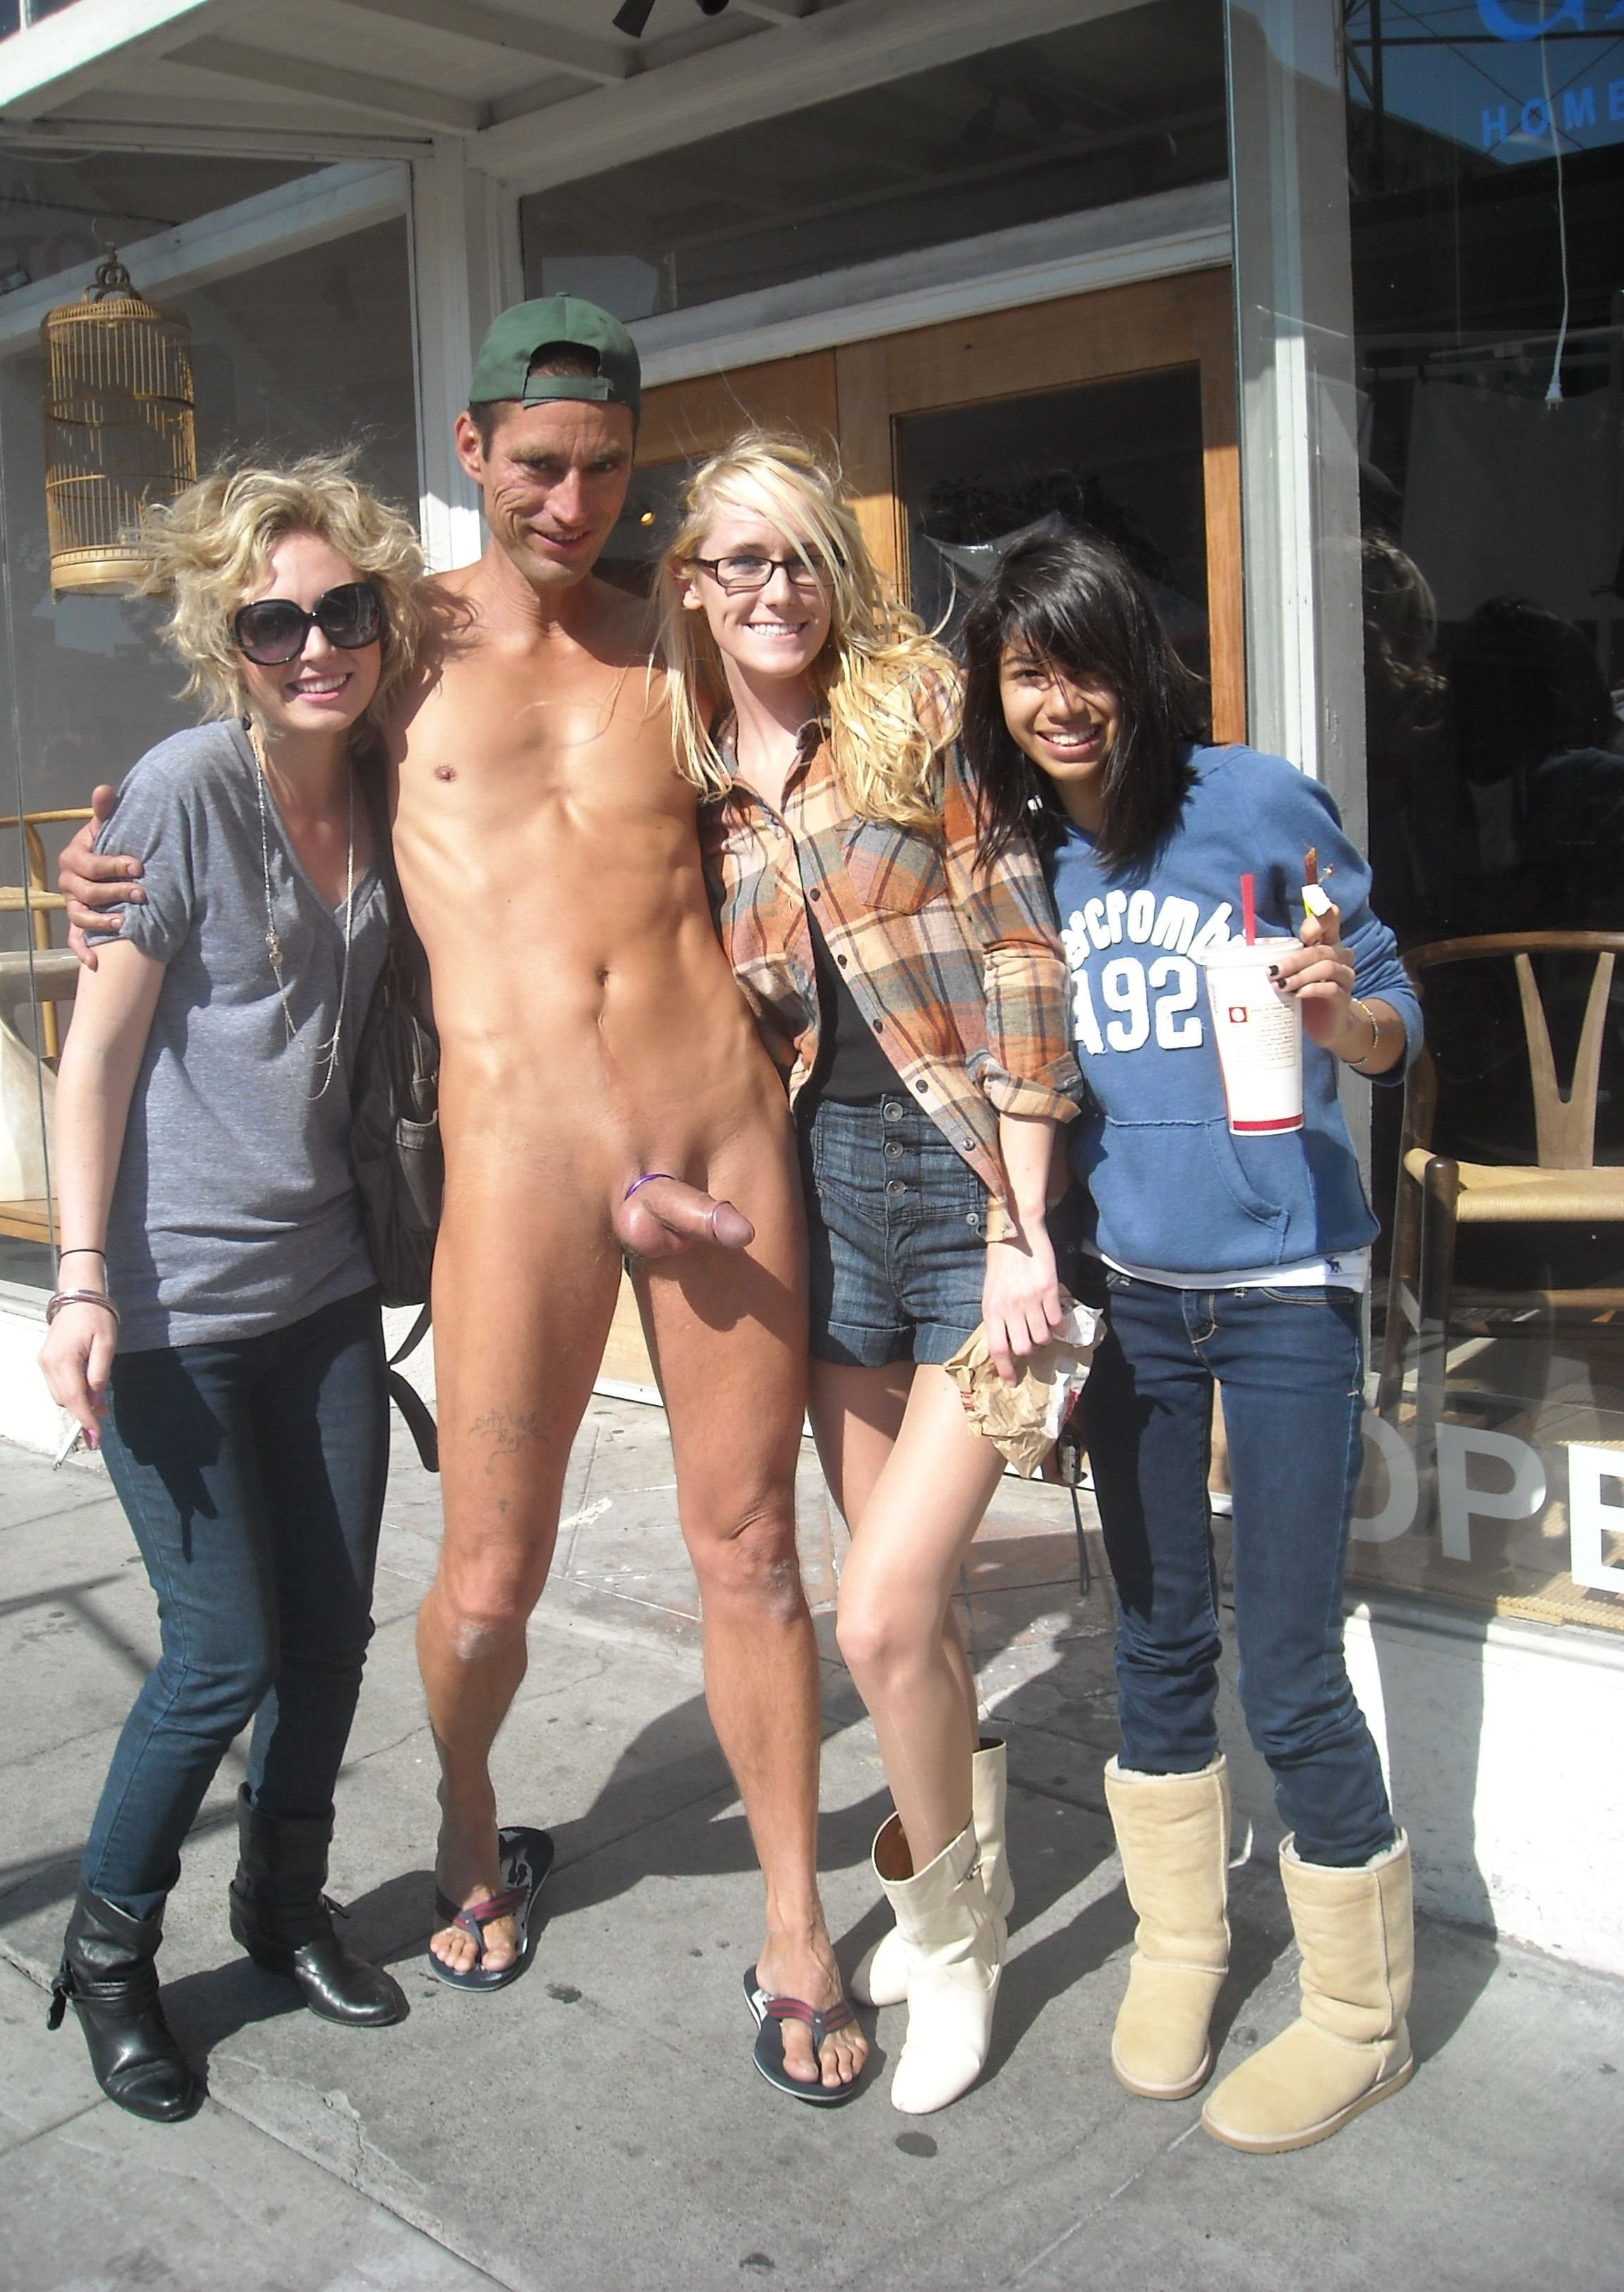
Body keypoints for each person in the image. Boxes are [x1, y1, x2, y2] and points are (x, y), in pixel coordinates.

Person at [58, 298, 866, 2100]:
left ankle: (798, 1924)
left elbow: (870, 750)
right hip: (522, 1154)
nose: (573, 500)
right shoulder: (387, 644)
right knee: (489, 1586)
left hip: (718, 1127)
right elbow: (244, 764)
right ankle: (470, 1807)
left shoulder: (684, 628)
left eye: (606, 467)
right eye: (540, 464)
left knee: (753, 1549)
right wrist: (96, 861)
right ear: (473, 450)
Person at [960, 522, 1423, 2156]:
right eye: (1028, 673)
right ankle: (1182, 1943)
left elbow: (1385, 1004)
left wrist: (1343, 1020)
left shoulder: (1252, 804)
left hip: (1289, 1285)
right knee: (1156, 1643)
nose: (1061, 702)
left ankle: (1363, 2017)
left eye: (1086, 666)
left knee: (1288, 1663)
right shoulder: (1025, 857)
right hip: (1135, 1298)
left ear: (1142, 669)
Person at [661, 434, 1081, 2112]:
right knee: (932, 1618)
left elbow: (1023, 951)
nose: (774, 590)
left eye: (800, 558)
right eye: (741, 561)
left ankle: (954, 1943)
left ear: (838, 571)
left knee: (883, 1611)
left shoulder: (915, 719)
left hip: (970, 1187)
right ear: (695, 584)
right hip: (817, 1207)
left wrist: (1025, 1221)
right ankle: (966, 1880)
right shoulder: (685, 780)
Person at [38, 458, 429, 2122]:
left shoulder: (397, 774)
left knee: (329, 1640)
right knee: (220, 1655)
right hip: (174, 1307)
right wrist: (78, 1280)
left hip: (323, 1289)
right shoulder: (186, 789)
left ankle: (282, 1904)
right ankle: (109, 1955)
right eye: (275, 623)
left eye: (344, 611)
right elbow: (96, 1057)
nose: (315, 646)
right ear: (228, 642)